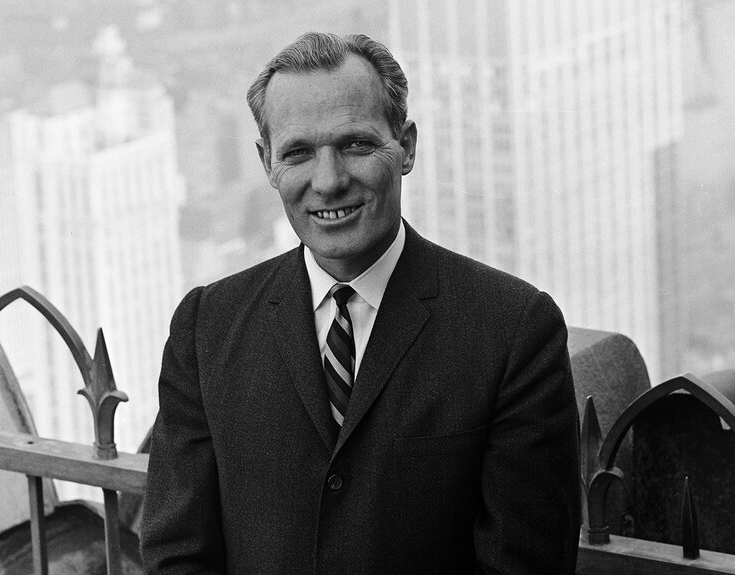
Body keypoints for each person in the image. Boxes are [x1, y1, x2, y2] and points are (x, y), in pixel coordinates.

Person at [140, 32, 580, 574]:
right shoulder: (208, 327)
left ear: (407, 147)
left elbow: (524, 565)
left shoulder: (511, 331)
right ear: (267, 163)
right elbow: (178, 556)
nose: (328, 181)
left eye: (354, 144)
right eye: (298, 153)